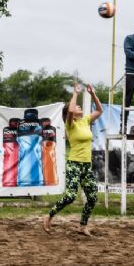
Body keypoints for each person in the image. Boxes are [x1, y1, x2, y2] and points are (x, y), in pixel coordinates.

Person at [43, 83, 103, 235]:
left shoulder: (86, 121)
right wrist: (75, 93)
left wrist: (93, 94)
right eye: (78, 107)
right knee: (70, 196)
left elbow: (99, 110)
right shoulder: (70, 124)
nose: (79, 108)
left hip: (86, 166)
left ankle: (82, 226)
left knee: (92, 197)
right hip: (74, 164)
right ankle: (49, 216)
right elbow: (70, 109)